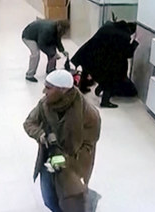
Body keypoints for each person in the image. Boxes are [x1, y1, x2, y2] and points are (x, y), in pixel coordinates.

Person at [23, 70, 101, 212]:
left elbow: (88, 145)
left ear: (63, 90)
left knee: (72, 202)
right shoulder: (44, 104)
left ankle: (89, 200)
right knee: (49, 200)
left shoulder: (89, 114)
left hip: (73, 165)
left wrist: (66, 162)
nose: (44, 91)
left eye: (48, 88)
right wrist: (41, 135)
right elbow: (29, 123)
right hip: (49, 157)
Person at [71, 20, 139, 108]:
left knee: (87, 70)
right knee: (110, 78)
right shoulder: (123, 36)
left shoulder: (109, 25)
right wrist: (135, 42)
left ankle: (87, 87)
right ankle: (105, 101)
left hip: (88, 53)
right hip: (100, 59)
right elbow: (128, 53)